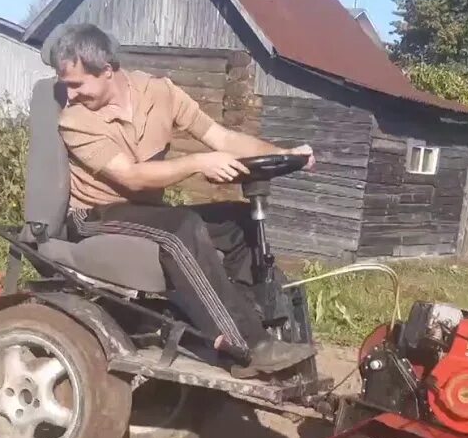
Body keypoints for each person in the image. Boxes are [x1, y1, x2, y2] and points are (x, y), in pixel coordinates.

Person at [47, 22, 318, 377]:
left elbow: (222, 138)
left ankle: (257, 318)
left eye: (76, 84)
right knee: (180, 227)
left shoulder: (161, 93)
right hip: (94, 215)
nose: (69, 95)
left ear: (108, 70)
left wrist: (286, 152)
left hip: (145, 212)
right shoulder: (75, 120)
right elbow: (131, 175)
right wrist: (197, 162)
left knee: (237, 222)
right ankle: (247, 346)